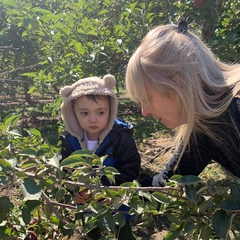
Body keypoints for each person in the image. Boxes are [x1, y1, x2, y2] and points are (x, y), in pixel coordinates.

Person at [125, 20, 240, 188]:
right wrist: (109, 196)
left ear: (177, 85)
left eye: (146, 99)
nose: (144, 111)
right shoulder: (205, 126)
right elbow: (169, 180)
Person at [59, 74, 140, 239]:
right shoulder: (70, 140)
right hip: (85, 203)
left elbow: (130, 168)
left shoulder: (121, 137)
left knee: (122, 232)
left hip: (118, 202)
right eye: (84, 113)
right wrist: (74, 191)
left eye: (100, 112)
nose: (93, 119)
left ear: (111, 110)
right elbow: (65, 170)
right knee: (90, 232)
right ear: (73, 112)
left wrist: (107, 191)